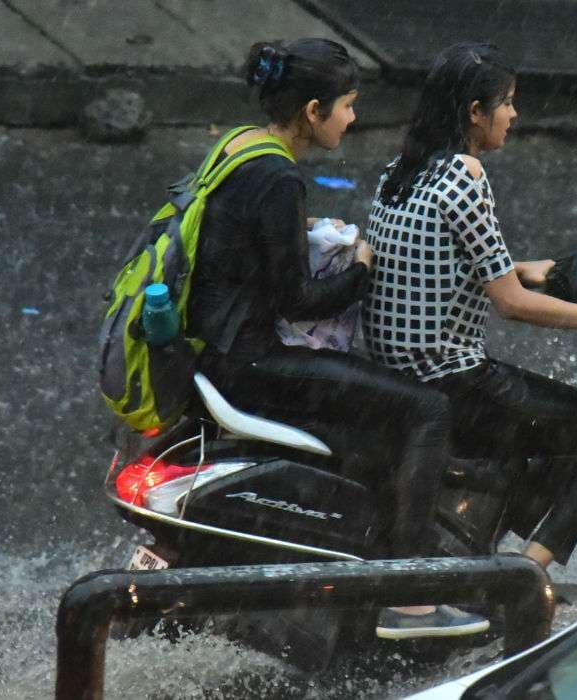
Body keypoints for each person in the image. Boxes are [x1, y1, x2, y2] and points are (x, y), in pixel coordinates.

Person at [188, 38, 487, 639]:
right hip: (250, 363)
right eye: (347, 106)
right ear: (313, 110)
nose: (353, 119)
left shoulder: (240, 146)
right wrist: (362, 269)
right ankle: (410, 598)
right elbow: (295, 298)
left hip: (214, 349)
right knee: (427, 408)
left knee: (372, 419)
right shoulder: (277, 176)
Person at [363, 42, 577, 572]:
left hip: (398, 375)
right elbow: (513, 305)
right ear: (474, 113)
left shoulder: (401, 170)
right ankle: (525, 577)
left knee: (546, 427)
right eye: (505, 103)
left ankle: (492, 546)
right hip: (449, 378)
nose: (514, 114)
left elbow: (441, 261)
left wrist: (535, 268)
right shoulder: (465, 176)